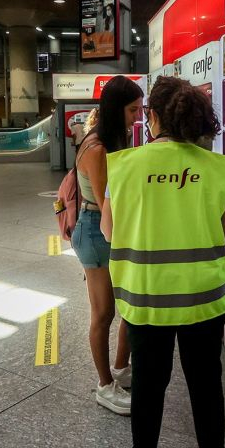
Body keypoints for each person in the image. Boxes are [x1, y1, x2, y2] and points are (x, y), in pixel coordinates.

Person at [101, 76, 225, 448]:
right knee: (206, 382)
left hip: (146, 296)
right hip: (203, 297)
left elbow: (109, 230)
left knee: (148, 381)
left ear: (153, 117)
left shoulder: (126, 166)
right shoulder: (213, 167)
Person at [71, 76, 144, 416]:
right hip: (96, 233)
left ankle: (121, 367)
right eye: (132, 109)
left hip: (105, 231)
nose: (137, 116)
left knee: (127, 306)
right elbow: (106, 207)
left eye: (140, 109)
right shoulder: (98, 148)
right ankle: (105, 385)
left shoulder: (114, 138)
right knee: (104, 313)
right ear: (116, 109)